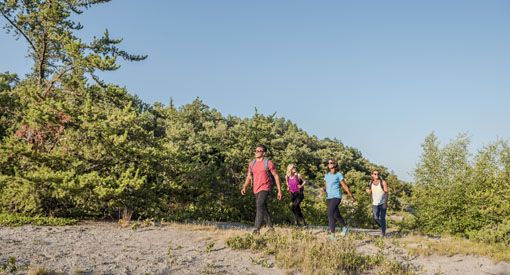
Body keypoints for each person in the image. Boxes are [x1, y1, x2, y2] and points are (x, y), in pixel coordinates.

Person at [241, 145, 283, 235]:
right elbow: (249, 177)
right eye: (255, 151)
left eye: (259, 151)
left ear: (264, 153)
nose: (256, 152)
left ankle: (256, 229)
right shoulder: (252, 164)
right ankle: (271, 228)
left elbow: (276, 176)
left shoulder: (268, 163)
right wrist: (245, 187)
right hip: (256, 188)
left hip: (265, 187)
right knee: (263, 207)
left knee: (259, 205)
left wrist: (279, 190)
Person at [320, 158, 356, 240]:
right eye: (328, 163)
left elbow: (344, 186)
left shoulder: (339, 175)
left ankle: (332, 234)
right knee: (336, 214)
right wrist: (323, 189)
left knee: (329, 213)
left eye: (331, 162)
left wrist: (351, 196)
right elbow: (326, 186)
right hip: (328, 197)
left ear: (335, 164)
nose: (330, 164)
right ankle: (345, 227)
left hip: (336, 196)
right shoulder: (326, 175)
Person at [366, 169, 388, 237]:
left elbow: (386, 193)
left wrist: (385, 203)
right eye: (375, 174)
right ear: (372, 175)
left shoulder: (383, 182)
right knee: (375, 218)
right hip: (375, 204)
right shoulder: (370, 182)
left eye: (378, 174)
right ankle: (383, 226)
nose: (376, 175)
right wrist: (368, 191)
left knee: (382, 217)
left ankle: (383, 233)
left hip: (382, 203)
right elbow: (370, 190)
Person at [286, 164, 307, 228]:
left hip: (299, 194)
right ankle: (304, 224)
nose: (295, 168)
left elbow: (305, 181)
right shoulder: (287, 176)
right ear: (290, 169)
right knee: (297, 209)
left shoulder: (298, 175)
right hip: (292, 194)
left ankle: (296, 224)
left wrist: (301, 185)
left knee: (294, 207)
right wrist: (288, 186)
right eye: (293, 168)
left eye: (295, 167)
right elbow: (287, 183)